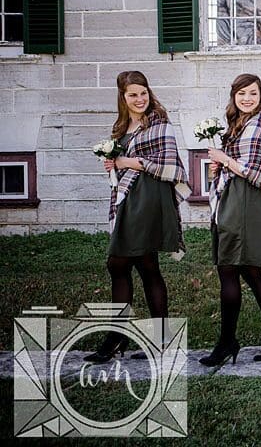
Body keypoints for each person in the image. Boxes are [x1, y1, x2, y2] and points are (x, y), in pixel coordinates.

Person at [86, 71, 190, 363]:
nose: (140, 99)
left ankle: (118, 337)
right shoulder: (121, 126)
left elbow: (170, 166)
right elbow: (123, 164)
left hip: (149, 199)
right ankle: (156, 340)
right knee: (144, 266)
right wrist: (112, 164)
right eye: (133, 94)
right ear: (123, 97)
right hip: (128, 198)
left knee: (119, 261)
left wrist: (126, 161)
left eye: (143, 92)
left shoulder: (159, 122)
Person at [201, 74, 261, 366]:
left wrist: (224, 159)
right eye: (241, 93)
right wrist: (219, 167)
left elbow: (250, 169)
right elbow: (236, 165)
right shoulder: (238, 124)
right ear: (234, 96)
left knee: (229, 269)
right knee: (251, 272)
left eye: (253, 93)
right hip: (237, 198)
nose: (247, 98)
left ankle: (227, 343)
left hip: (244, 202)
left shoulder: (256, 125)